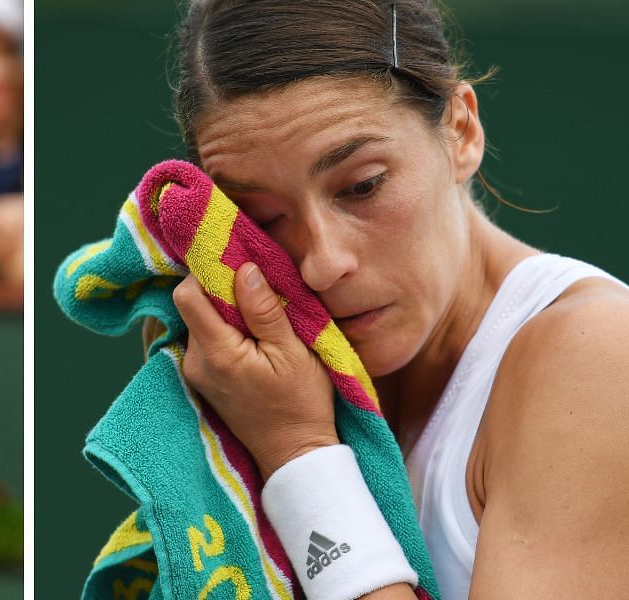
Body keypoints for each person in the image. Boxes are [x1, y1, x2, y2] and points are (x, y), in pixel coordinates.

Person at [163, 1, 629, 598]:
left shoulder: (597, 354)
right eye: (262, 216)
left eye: (362, 186)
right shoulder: (265, 374)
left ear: (461, 130)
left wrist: (298, 452)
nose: (322, 263)